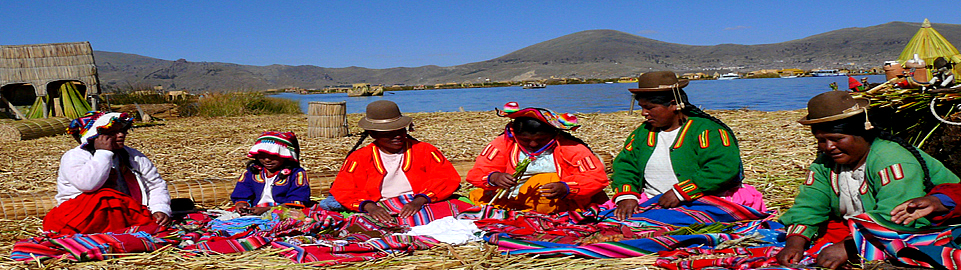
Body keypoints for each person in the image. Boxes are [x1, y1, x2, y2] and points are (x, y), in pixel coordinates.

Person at [776, 91, 961, 269]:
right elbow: (809, 205)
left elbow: (897, 215)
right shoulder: (825, 164)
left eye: (837, 139)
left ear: (862, 133)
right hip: (859, 228)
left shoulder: (892, 160)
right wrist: (794, 244)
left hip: (916, 228)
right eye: (821, 140)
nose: (829, 147)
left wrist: (849, 247)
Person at [611, 71, 764, 221]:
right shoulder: (642, 133)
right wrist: (627, 196)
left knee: (651, 224)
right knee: (603, 219)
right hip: (650, 201)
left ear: (673, 104)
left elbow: (722, 168)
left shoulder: (707, 131)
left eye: (650, 108)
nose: (644, 113)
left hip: (700, 201)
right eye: (641, 107)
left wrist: (680, 192)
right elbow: (626, 165)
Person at [327, 100, 462, 223]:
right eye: (389, 133)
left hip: (421, 202)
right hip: (380, 205)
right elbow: (344, 189)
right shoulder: (359, 158)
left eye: (401, 130)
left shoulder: (425, 150)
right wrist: (370, 207)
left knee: (459, 213)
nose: (398, 136)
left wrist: (419, 201)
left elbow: (446, 178)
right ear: (373, 134)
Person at [466, 102, 609, 214]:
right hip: (509, 200)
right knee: (478, 198)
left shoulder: (572, 148)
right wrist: (494, 178)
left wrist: (566, 188)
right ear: (515, 134)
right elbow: (477, 172)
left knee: (547, 180)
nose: (533, 144)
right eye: (525, 140)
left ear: (554, 134)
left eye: (541, 139)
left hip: (555, 202)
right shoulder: (502, 144)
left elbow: (596, 177)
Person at [44, 112, 172, 234]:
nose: (121, 135)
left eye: (122, 131)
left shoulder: (133, 156)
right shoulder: (74, 157)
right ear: (94, 136)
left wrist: (160, 208)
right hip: (81, 217)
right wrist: (103, 153)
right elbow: (88, 185)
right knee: (105, 197)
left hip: (126, 213)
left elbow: (155, 185)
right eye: (112, 133)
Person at [230, 131, 310, 215]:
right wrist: (241, 205)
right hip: (254, 209)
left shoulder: (296, 174)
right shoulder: (251, 172)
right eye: (262, 155)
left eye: (274, 156)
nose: (267, 160)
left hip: (283, 212)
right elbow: (242, 192)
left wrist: (266, 210)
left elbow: (297, 200)